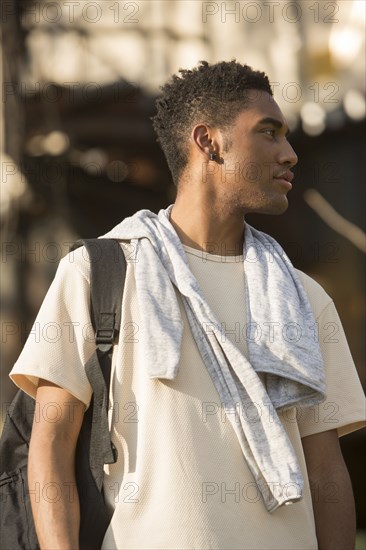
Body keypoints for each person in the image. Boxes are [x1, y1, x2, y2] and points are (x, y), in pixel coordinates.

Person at [10, 60, 365, 550]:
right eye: (268, 133)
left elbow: (326, 471)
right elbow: (50, 445)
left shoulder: (304, 297)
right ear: (208, 141)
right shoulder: (100, 273)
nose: (290, 154)